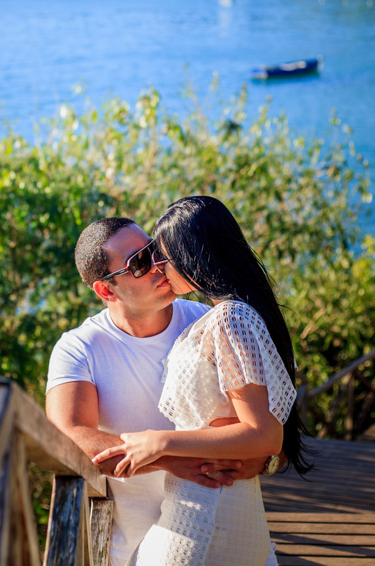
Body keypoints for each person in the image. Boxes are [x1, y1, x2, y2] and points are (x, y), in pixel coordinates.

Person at [93, 196, 311, 566]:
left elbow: (266, 434)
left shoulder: (229, 318)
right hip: (207, 510)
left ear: (191, 254)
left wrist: (159, 442)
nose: (157, 269)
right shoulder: (225, 313)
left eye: (162, 256)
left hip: (205, 517)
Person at [46, 217, 276, 566]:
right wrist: (169, 461)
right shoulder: (80, 348)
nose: (158, 265)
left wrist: (267, 458)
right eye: (138, 263)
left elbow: (264, 426)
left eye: (155, 250)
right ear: (106, 290)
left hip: (232, 535)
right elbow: (68, 435)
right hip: (139, 551)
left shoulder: (209, 323)